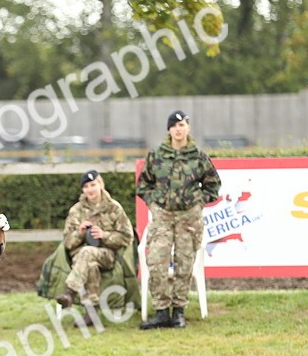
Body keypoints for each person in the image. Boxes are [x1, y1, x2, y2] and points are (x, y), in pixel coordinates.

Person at [135, 110, 221, 329]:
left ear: (188, 128)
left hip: (188, 218)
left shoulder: (198, 156)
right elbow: (143, 185)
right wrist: (154, 203)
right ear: (169, 130)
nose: (178, 129)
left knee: (184, 264)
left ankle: (179, 311)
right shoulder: (156, 155)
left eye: (182, 125)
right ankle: (162, 311)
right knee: (156, 261)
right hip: (163, 216)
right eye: (174, 126)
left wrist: (198, 202)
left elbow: (213, 185)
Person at [55, 169, 133, 326]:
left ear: (100, 184)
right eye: (86, 187)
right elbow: (67, 242)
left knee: (87, 253)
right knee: (90, 264)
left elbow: (127, 237)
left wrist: (104, 235)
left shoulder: (114, 208)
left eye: (93, 185)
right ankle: (91, 313)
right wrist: (80, 233)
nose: (89, 190)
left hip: (107, 254)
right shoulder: (76, 211)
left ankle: (69, 292)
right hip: (80, 257)